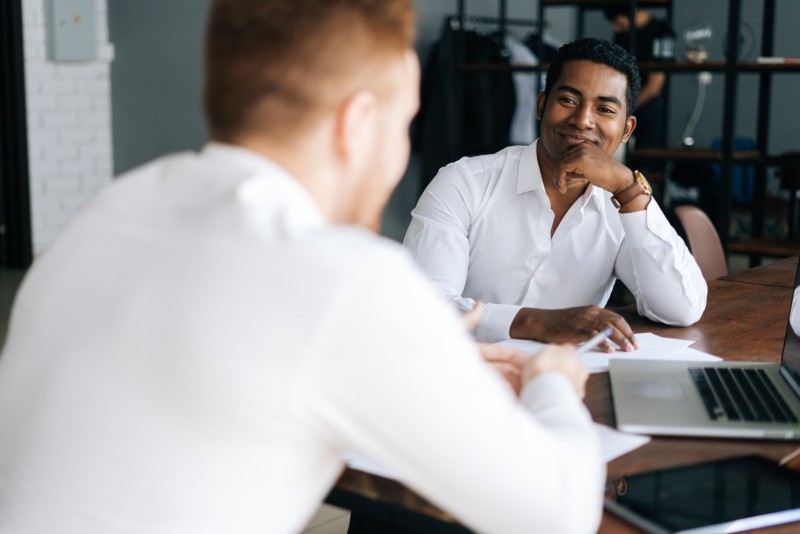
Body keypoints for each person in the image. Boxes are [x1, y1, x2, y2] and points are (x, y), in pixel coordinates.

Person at [0, 2, 604, 533]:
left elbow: (227, 345)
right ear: (358, 122)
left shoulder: (112, 211)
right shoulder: (344, 277)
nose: (399, 153)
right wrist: (552, 378)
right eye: (404, 125)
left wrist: (411, 354)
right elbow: (560, 512)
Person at [404, 38, 707, 350]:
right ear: (541, 106)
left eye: (604, 109)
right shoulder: (463, 182)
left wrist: (630, 190)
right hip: (459, 373)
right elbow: (424, 307)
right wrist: (538, 322)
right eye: (568, 101)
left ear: (627, 130)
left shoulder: (623, 206)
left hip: (562, 381)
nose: (583, 120)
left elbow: (682, 308)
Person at [603, 7, 674, 149]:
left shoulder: (661, 33)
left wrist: (623, 108)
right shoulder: (623, 33)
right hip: (621, 104)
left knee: (647, 159)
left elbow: (654, 87)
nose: (617, 28)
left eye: (619, 23)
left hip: (647, 109)